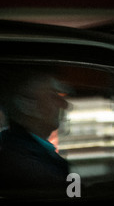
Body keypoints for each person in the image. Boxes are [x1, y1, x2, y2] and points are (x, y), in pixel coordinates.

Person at [0, 66, 70, 198]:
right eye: (54, 95)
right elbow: (73, 194)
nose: (65, 104)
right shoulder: (27, 166)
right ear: (26, 105)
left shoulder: (16, 150)